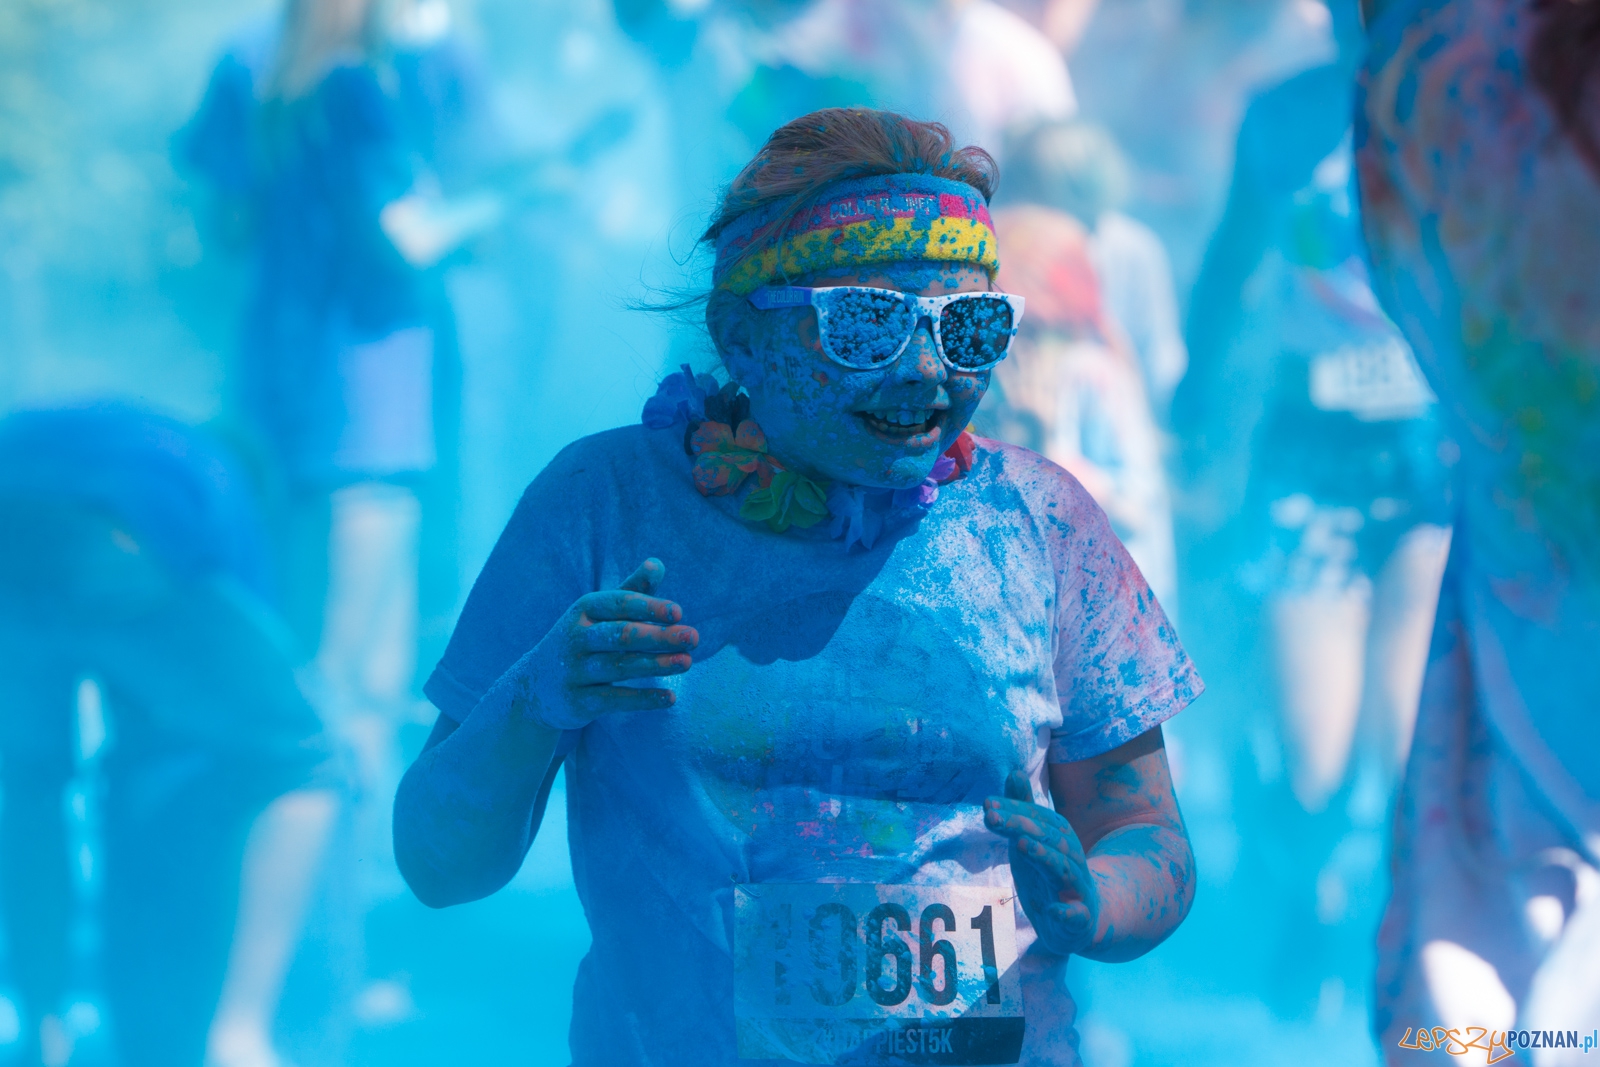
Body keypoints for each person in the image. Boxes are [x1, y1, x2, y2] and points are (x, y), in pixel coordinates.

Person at [394, 108, 1200, 1066]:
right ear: (742, 336)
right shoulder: (601, 504)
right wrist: (535, 699)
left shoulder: (1043, 521)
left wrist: (1095, 900)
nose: (926, 372)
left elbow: (1147, 833)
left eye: (969, 326)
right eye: (866, 325)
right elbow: (438, 865)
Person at [178, 0, 499, 906]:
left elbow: (221, 228)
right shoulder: (357, 85)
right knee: (345, 681)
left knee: (327, 659)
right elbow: (408, 238)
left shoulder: (249, 58)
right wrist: (517, 195)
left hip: (277, 394)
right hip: (368, 403)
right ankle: (318, 923)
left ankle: (334, 917)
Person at [1356, 0, 1600, 1053]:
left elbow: (1420, 292)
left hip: (1522, 517)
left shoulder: (1422, 64)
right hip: (1535, 517)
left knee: (1496, 871)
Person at [1178, 0, 1452, 821]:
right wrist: (1193, 402)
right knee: (1314, 765)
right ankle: (1316, 909)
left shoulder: (1460, 108)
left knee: (1401, 743)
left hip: (1431, 451)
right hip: (1310, 452)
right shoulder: (1287, 113)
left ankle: (1397, 919)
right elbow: (1230, 268)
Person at [0, 404, 338, 1067]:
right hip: (119, 535)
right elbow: (257, 702)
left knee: (31, 788)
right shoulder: (223, 486)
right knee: (301, 760)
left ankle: (42, 1030)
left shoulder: (87, 432)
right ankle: (238, 1033)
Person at [976, 202, 1179, 618]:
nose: (1017, 348)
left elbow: (1136, 511)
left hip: (1115, 614)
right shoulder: (995, 379)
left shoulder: (1090, 373)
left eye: (1029, 331)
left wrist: (1047, 448)